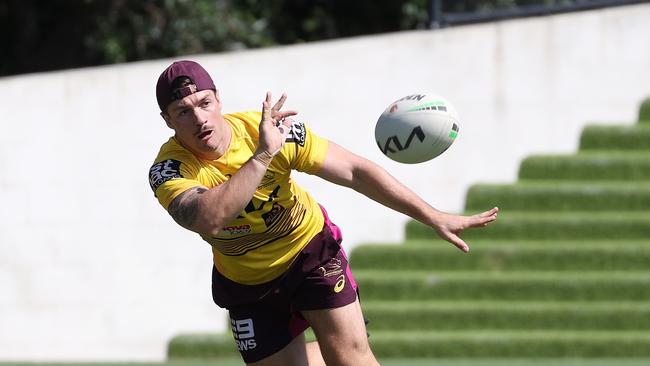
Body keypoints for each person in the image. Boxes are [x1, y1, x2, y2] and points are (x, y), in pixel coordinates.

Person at [148, 60, 499, 366]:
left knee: (349, 361)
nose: (199, 118)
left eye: (205, 103)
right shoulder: (169, 170)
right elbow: (209, 218)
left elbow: (356, 172)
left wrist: (432, 215)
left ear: (218, 100)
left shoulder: (268, 130)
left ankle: (344, 340)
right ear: (167, 120)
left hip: (309, 253)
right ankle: (339, 337)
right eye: (183, 111)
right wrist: (262, 156)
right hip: (246, 282)